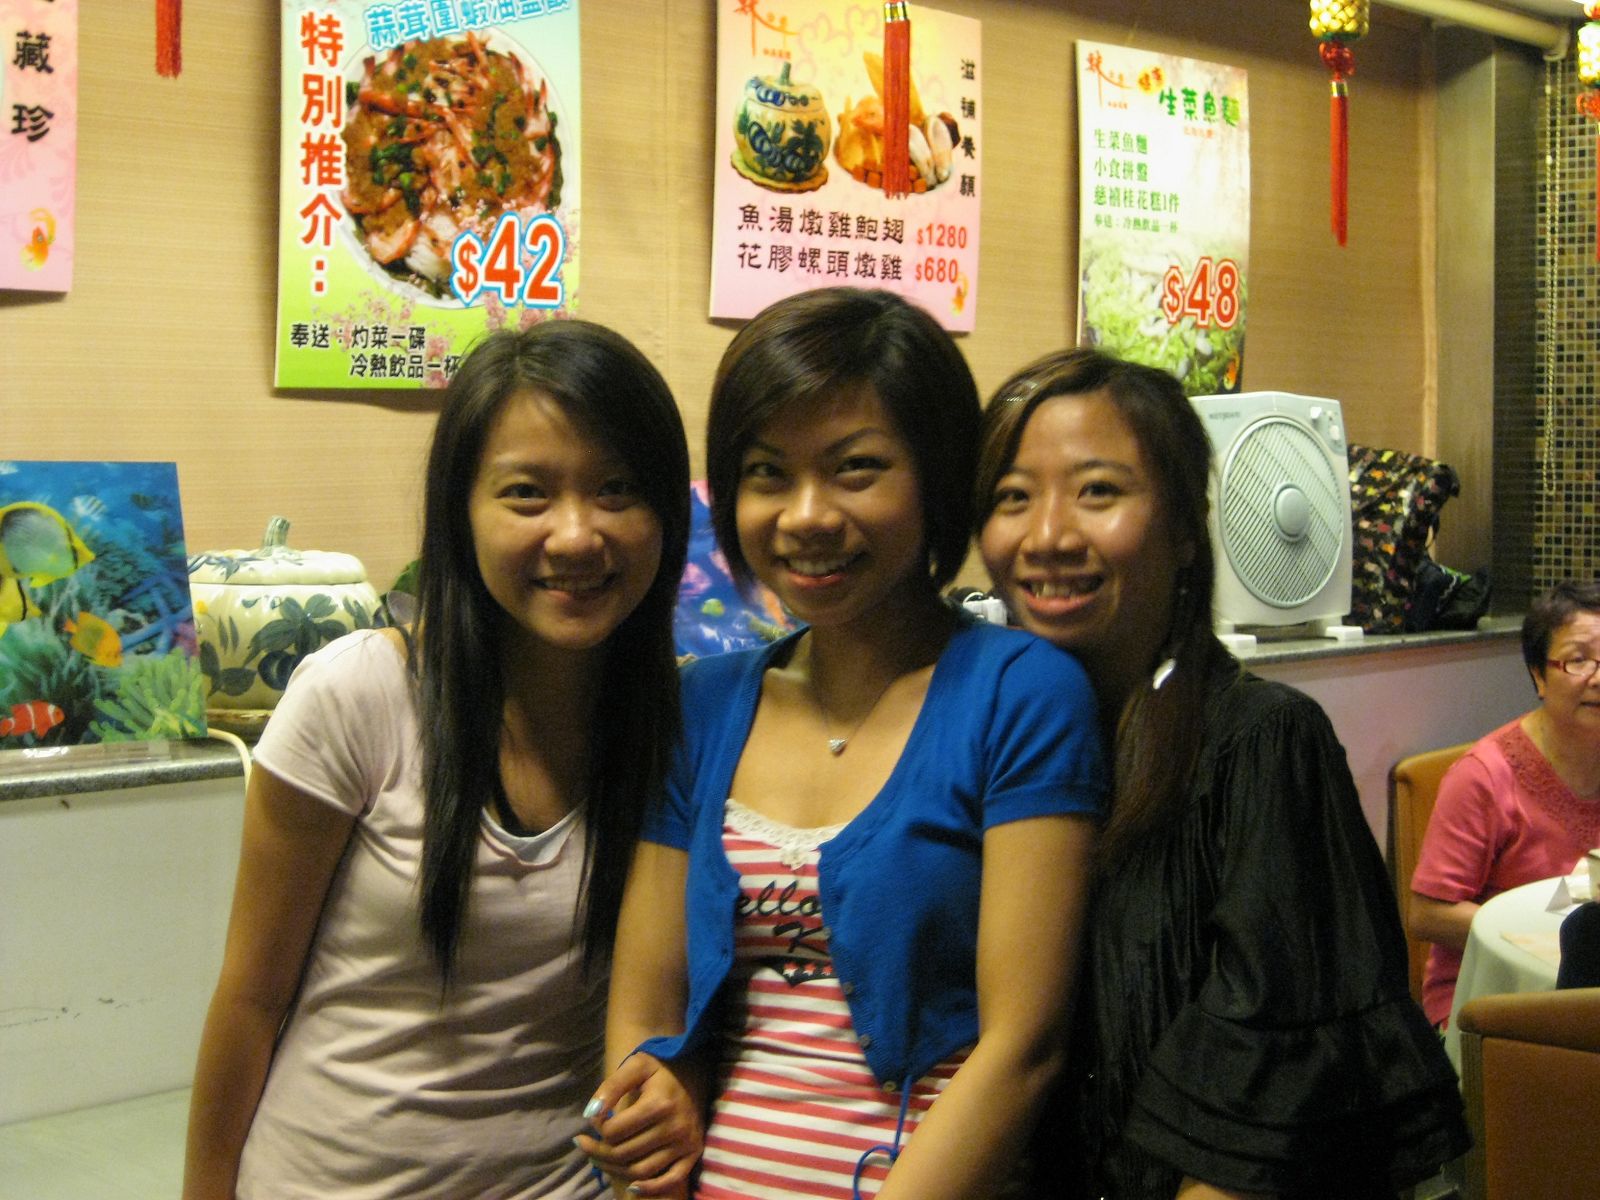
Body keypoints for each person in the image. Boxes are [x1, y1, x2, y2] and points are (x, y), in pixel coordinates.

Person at [580, 288, 1106, 1200]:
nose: (806, 516)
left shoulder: (1019, 694)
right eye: (767, 473)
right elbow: (651, 1005)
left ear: (936, 477)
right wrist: (650, 1105)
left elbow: (1024, 1048)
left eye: (855, 468)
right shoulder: (703, 704)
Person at [182, 321, 691, 1200]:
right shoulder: (359, 697)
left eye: (617, 490)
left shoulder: (685, 727)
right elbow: (250, 999)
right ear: (462, 511)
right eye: (527, 494)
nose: (577, 535)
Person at [975, 347, 1469, 1199]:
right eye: (1013, 497)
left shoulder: (1263, 744)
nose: (1048, 536)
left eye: (1098, 491)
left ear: (1182, 528)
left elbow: (1269, 1107)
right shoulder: (988, 743)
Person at [1410, 580, 1600, 1024]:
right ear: (1538, 675)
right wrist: (1539, 937)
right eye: (1578, 660)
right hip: (1493, 1002)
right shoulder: (1484, 775)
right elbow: (1427, 914)